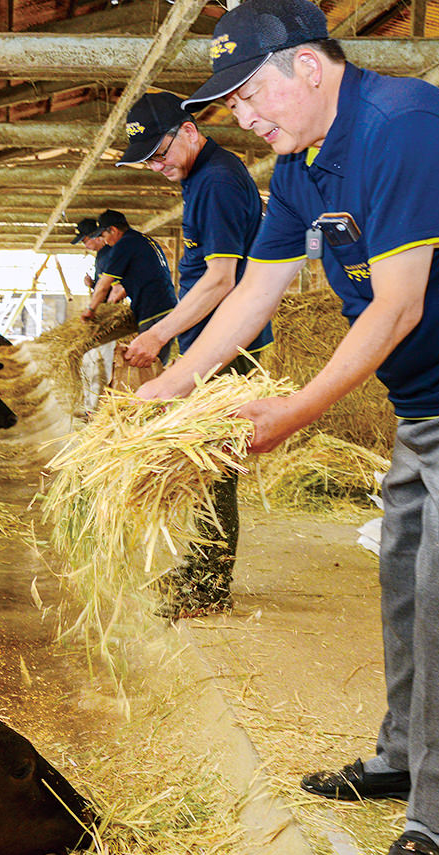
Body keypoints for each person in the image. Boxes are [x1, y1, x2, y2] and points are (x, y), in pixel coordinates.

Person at [146, 0, 439, 855]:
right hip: (424, 394)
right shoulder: (299, 164)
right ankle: (401, 757)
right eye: (233, 106)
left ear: (310, 65)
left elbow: (398, 304)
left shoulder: (404, 126)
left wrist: (294, 411)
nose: (245, 119)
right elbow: (258, 290)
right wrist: (170, 385)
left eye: (253, 94)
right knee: (404, 573)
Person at [114, 91, 275, 615]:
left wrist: (159, 335)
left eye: (159, 153)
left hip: (229, 347)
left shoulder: (218, 182)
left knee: (214, 464)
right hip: (214, 342)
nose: (157, 167)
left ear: (188, 130)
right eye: (148, 162)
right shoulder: (204, 178)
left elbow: (221, 280)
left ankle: (210, 587)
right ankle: (201, 568)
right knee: (203, 462)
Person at [79, 210, 174, 362]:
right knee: (159, 361)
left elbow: (105, 285)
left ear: (114, 230)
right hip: (168, 306)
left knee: (147, 363)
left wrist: (91, 310)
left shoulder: (123, 245)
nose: (105, 241)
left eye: (104, 235)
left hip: (152, 310)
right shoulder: (143, 240)